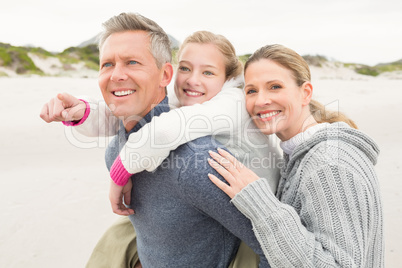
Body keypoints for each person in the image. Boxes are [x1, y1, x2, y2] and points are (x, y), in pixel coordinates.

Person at [40, 13, 275, 267]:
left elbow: (273, 245)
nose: (117, 74)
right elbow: (125, 117)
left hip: (264, 194)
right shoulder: (120, 145)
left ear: (164, 75)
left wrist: (121, 170)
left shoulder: (200, 154)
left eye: (132, 62)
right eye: (107, 64)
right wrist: (82, 112)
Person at [208, 44, 384, 267]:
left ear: (305, 93)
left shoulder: (329, 164)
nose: (261, 100)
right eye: (252, 90)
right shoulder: (300, 155)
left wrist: (260, 203)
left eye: (275, 87)